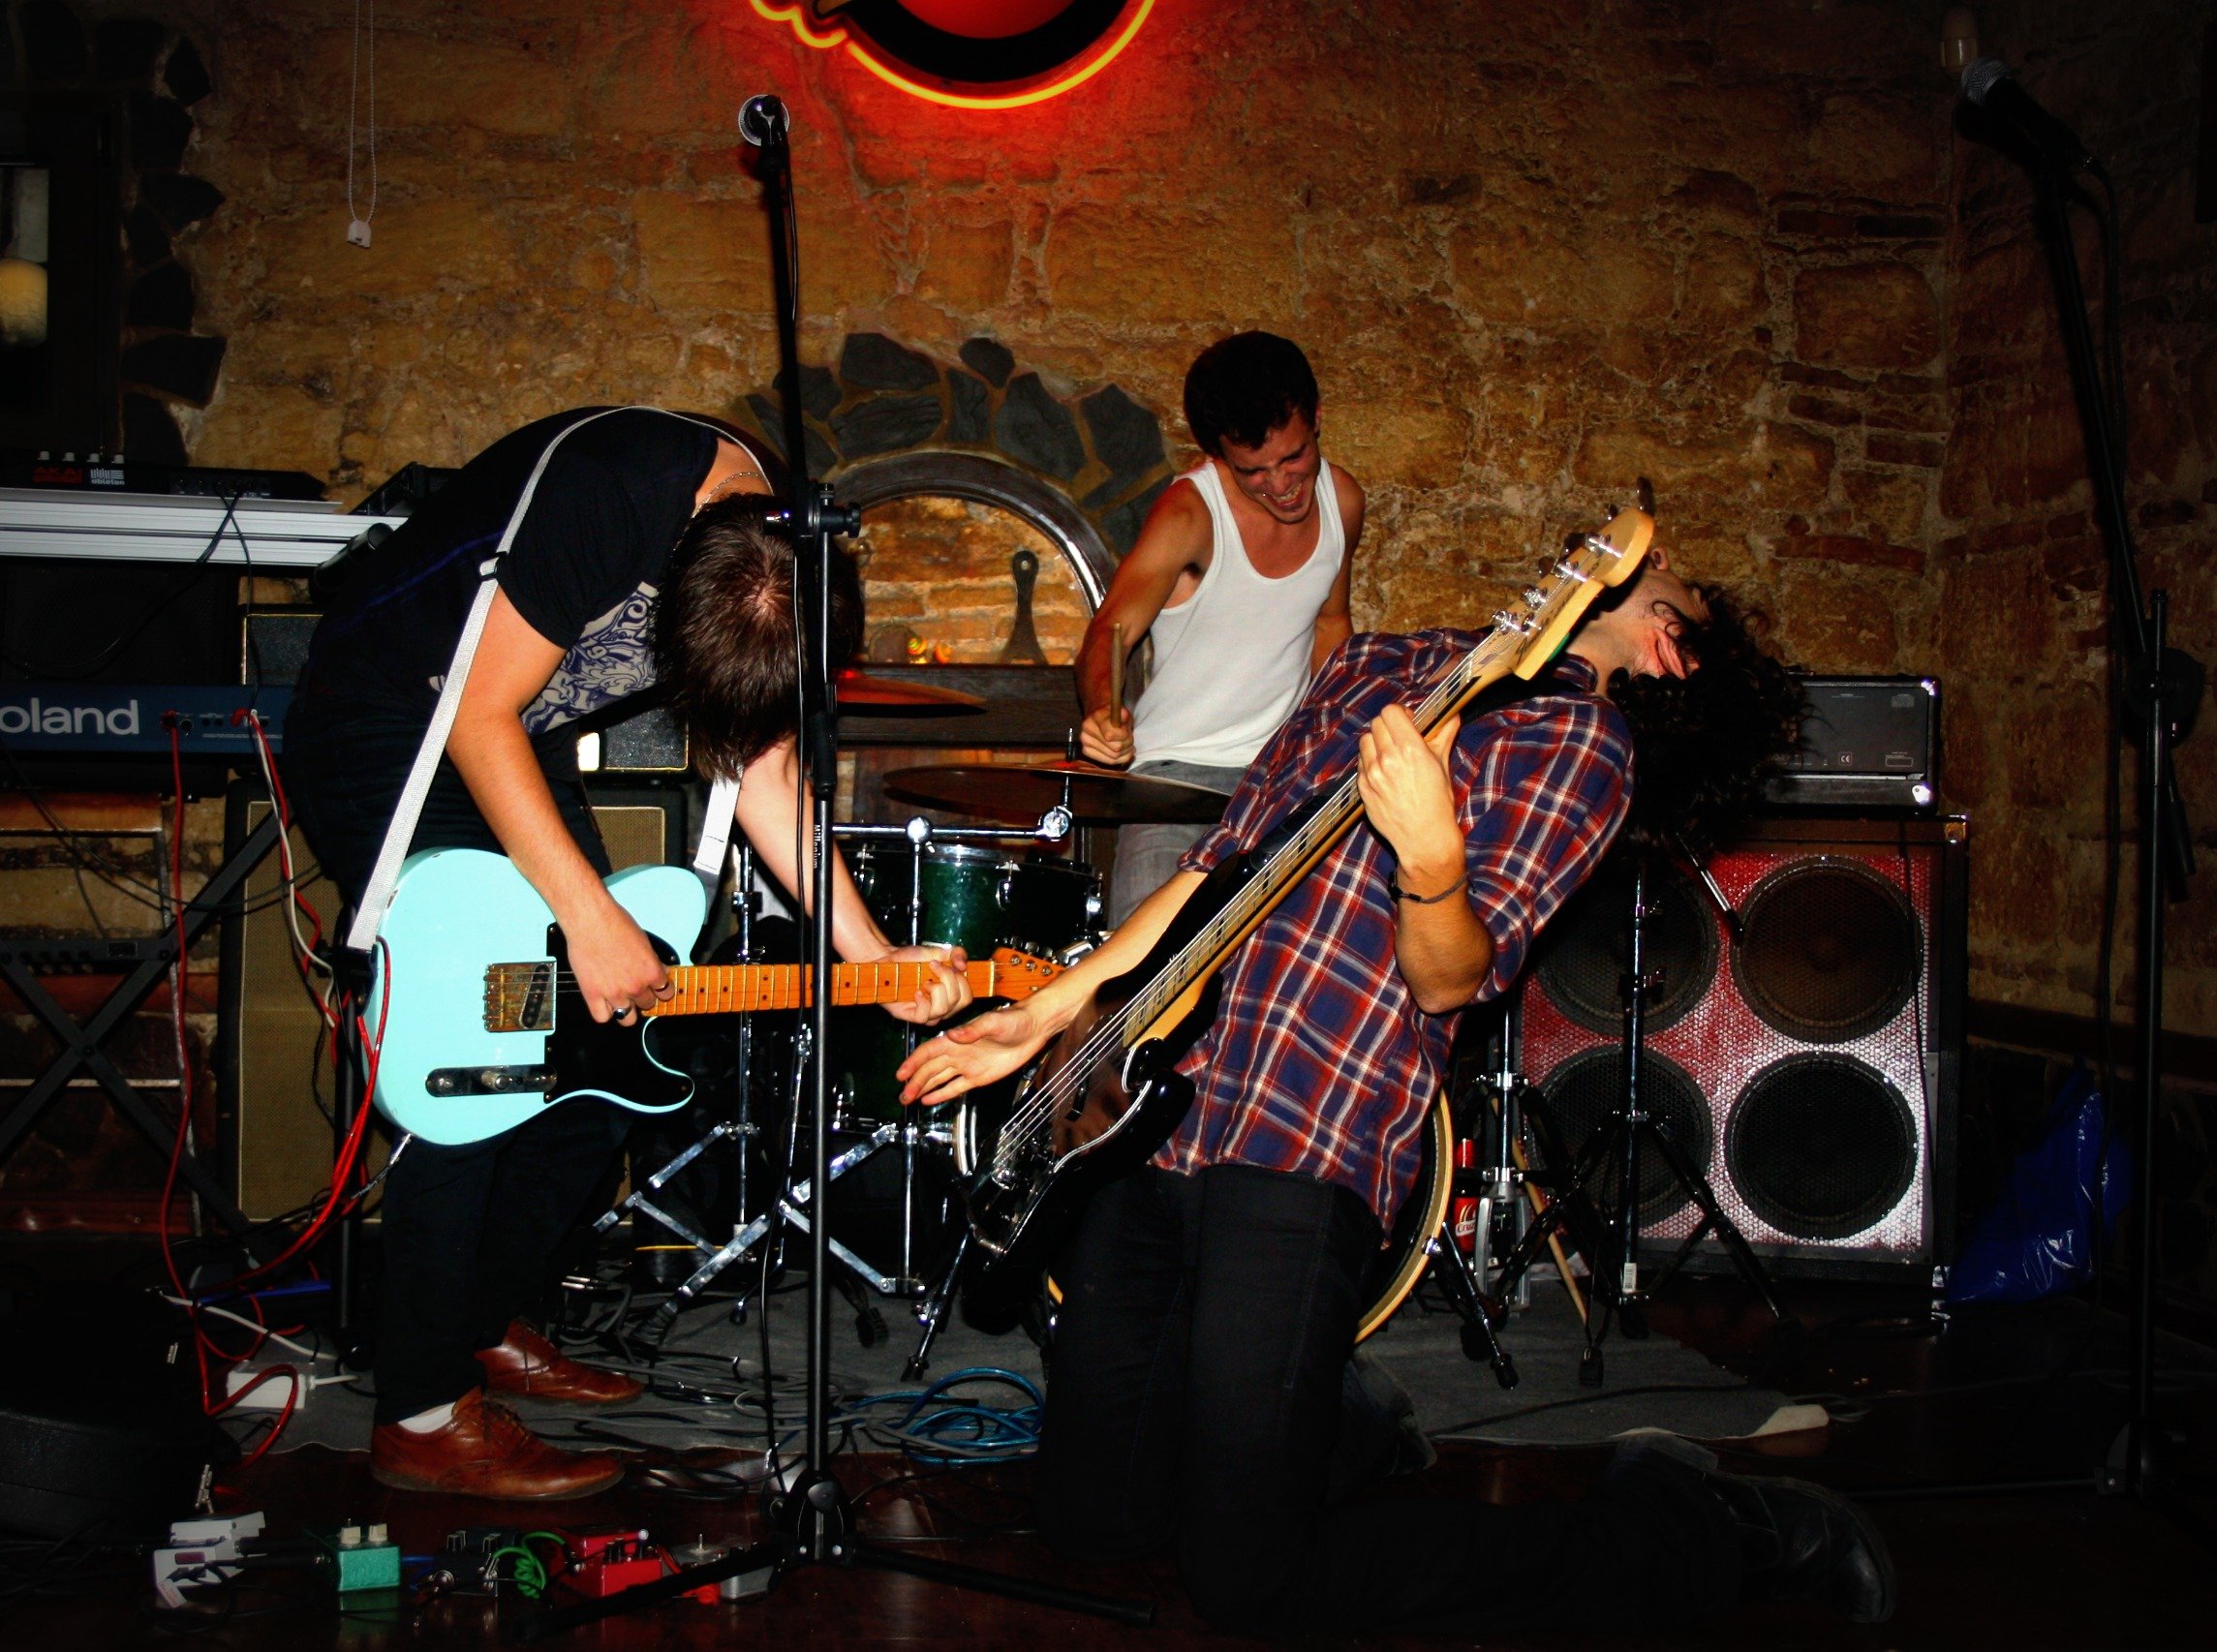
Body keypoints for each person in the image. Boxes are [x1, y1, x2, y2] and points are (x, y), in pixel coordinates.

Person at [898, 549, 1894, 1635]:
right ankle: (1334, 1422)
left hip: (1311, 1126)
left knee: (1250, 1582)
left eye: (1680, 589)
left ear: (1670, 649)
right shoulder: (1382, 661)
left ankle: (1697, 1526)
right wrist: (1052, 1011)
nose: (1659, 565)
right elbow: (1211, 871)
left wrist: (1430, 859)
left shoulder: (1582, 742)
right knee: (1093, 1521)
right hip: (1160, 1115)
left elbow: (1451, 976)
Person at [284, 407, 970, 1499]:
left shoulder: (788, 547)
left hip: (512, 737)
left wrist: (876, 957)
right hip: (393, 721)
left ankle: (476, 1326)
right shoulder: (608, 492)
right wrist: (587, 918)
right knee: (474, 1062)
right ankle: (418, 1413)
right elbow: (475, 711)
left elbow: (768, 775)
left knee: (613, 1061)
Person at [1074, 331, 1361, 922]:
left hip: (1283, 780)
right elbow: (1110, 631)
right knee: (1150, 973)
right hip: (1172, 783)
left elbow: (1331, 624)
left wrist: (1336, 740)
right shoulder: (1189, 514)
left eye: (1293, 458)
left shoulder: (1343, 502)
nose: (1281, 485)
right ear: (1220, 456)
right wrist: (1103, 710)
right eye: (1254, 471)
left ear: (1316, 419)